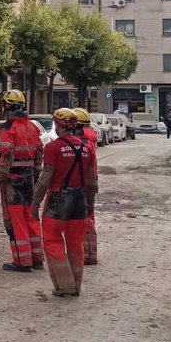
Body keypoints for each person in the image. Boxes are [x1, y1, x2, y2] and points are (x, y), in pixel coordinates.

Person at [30, 108, 96, 297]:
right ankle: (76, 285)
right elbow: (91, 182)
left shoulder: (53, 147)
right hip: (80, 200)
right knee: (75, 244)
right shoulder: (87, 148)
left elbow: (45, 179)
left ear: (58, 125)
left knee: (52, 241)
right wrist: (89, 206)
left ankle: (64, 284)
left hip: (59, 199)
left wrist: (35, 204)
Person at [0, 89, 45, 272]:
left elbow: (7, 156)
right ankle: (37, 258)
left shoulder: (8, 128)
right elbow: (39, 153)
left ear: (7, 107)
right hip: (29, 179)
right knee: (31, 217)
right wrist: (35, 176)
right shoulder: (32, 127)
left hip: (13, 180)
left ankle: (22, 261)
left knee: (16, 221)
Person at [72, 107, 101, 265]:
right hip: (90, 183)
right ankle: (88, 252)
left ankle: (88, 254)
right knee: (88, 217)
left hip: (83, 184)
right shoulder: (89, 141)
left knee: (84, 219)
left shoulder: (82, 143)